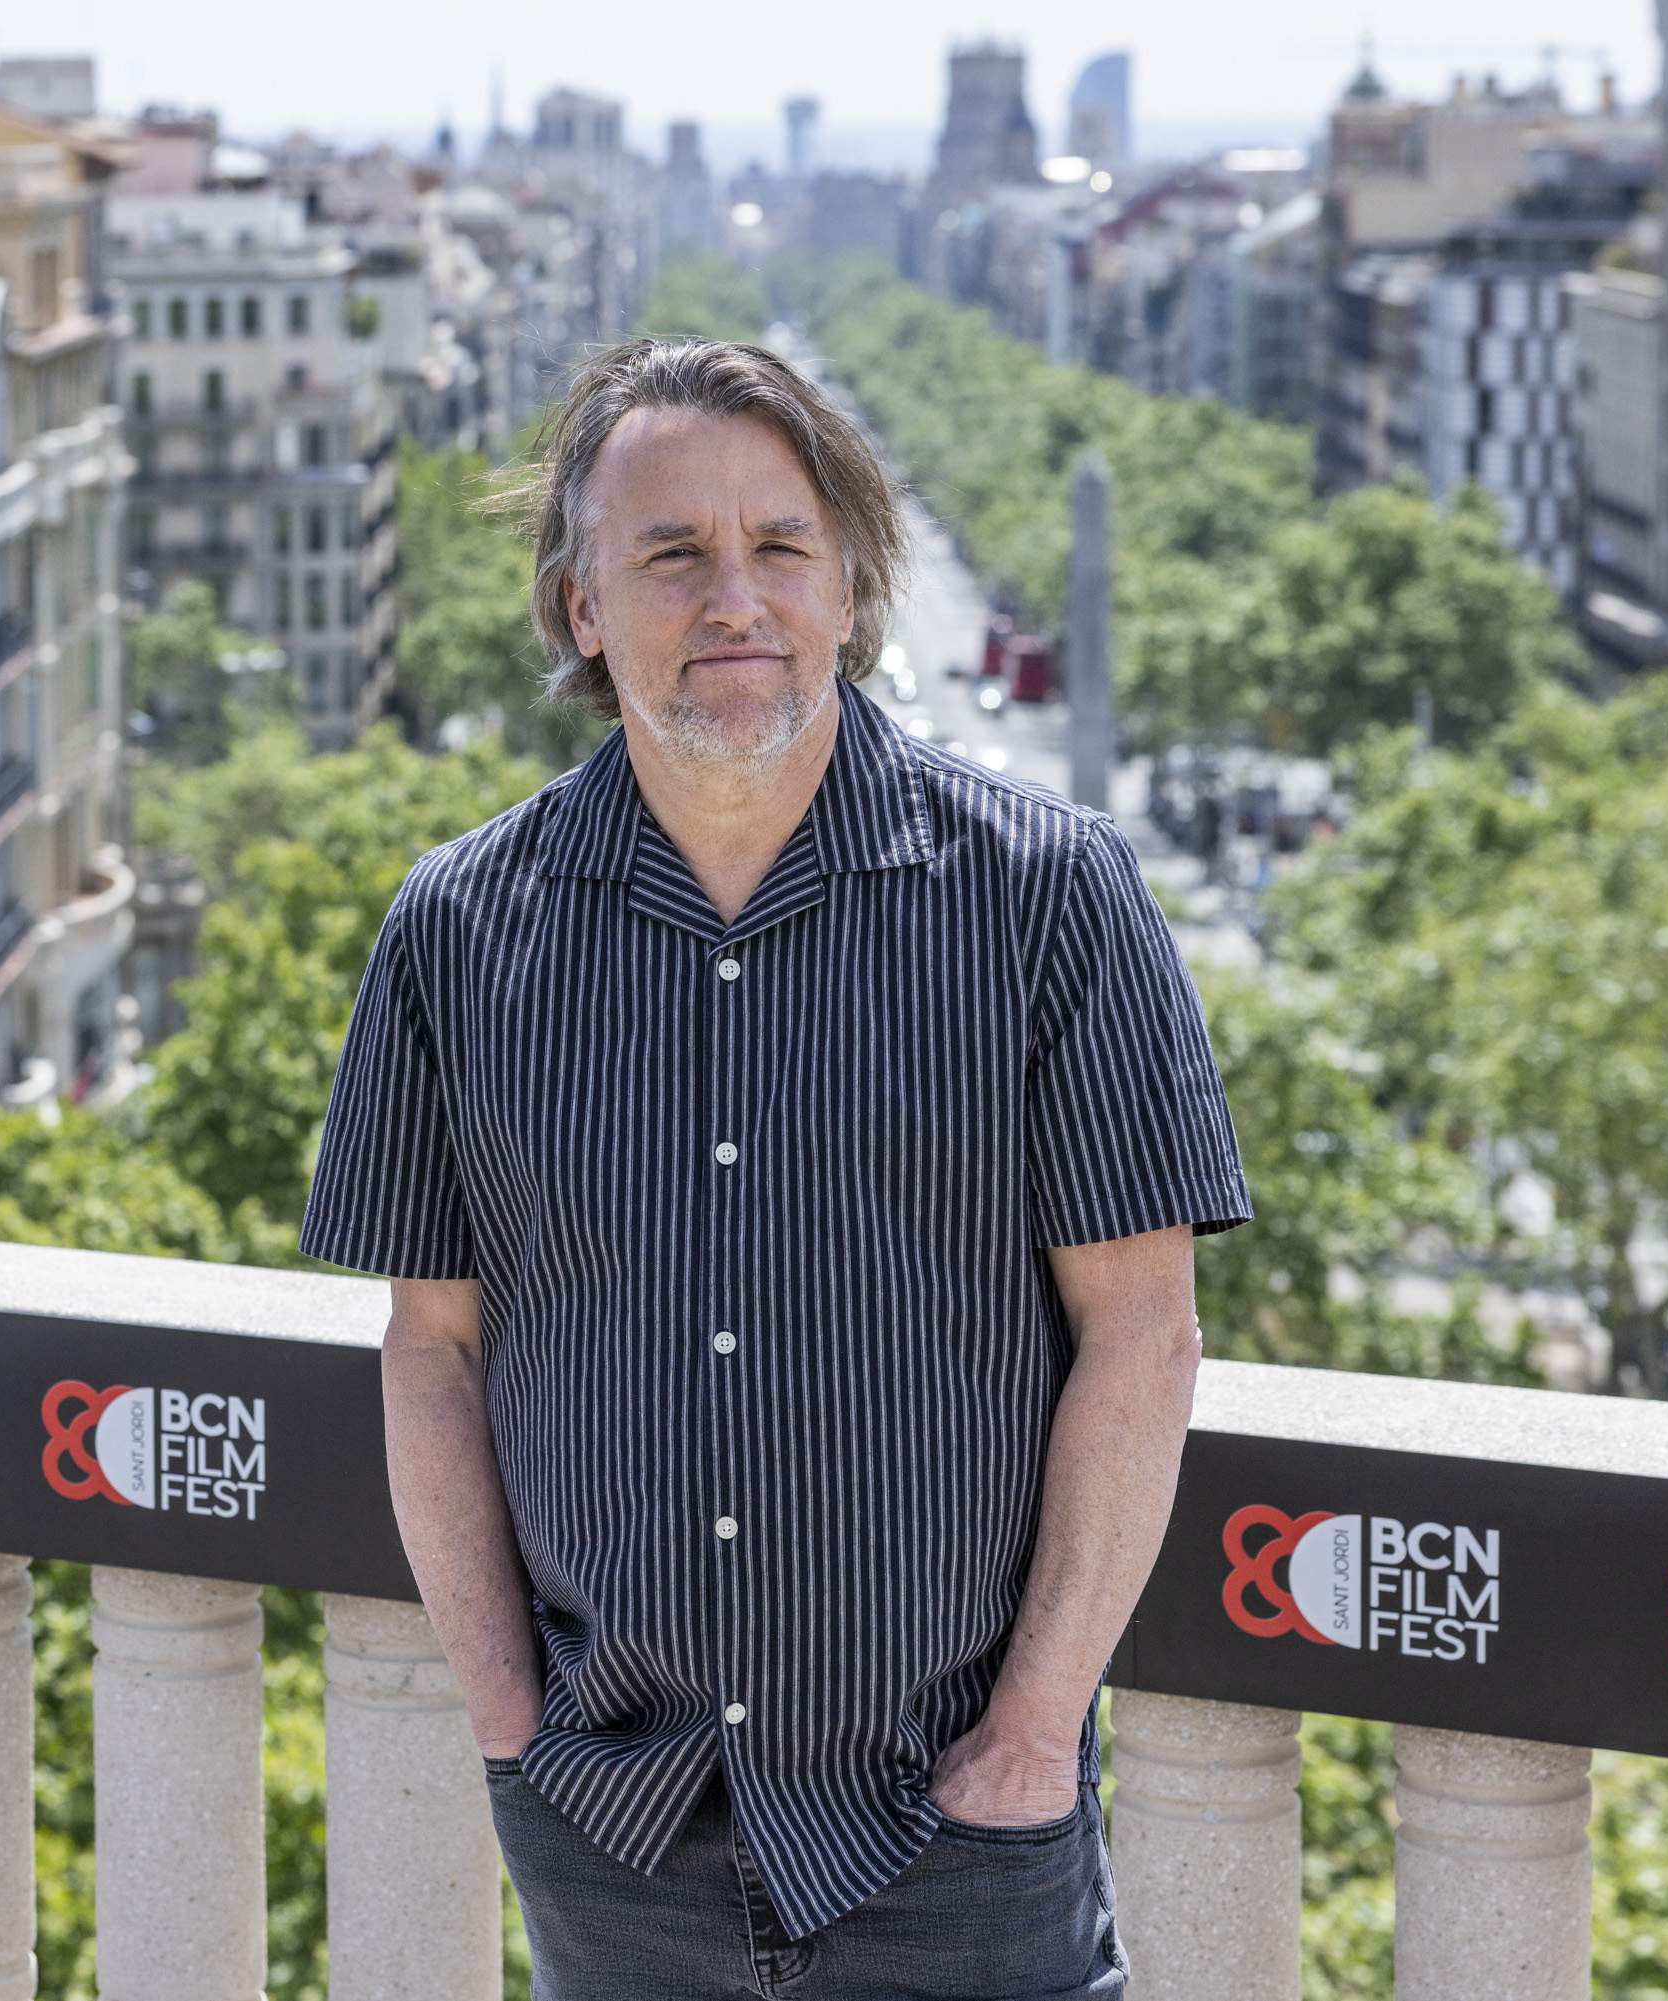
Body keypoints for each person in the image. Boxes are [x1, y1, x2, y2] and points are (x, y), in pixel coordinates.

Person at [300, 337, 1250, 1999]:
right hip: (614, 1838)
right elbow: (433, 1353)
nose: (732, 594)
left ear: (851, 587)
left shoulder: (1056, 901)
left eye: (780, 546)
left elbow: (1144, 1340)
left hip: (957, 1836)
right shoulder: (455, 933)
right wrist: (515, 1734)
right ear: (584, 606)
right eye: (671, 553)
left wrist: (1027, 1745)